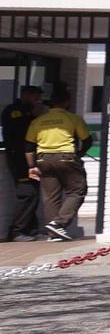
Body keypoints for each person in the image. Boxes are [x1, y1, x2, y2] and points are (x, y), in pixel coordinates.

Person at [25, 84, 91, 242]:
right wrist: (80, 154)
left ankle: (54, 234)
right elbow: (87, 140)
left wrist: (31, 166)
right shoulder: (72, 118)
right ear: (67, 102)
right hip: (66, 157)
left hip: (43, 159)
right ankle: (59, 223)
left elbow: (28, 146)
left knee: (50, 197)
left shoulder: (38, 121)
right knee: (77, 190)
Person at [2, 83, 43, 241]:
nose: (37, 100)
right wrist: (34, 115)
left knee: (34, 193)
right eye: (35, 97)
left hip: (31, 157)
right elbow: (20, 132)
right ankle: (17, 230)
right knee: (27, 193)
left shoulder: (29, 112)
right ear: (26, 95)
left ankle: (31, 228)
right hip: (19, 157)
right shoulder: (15, 111)